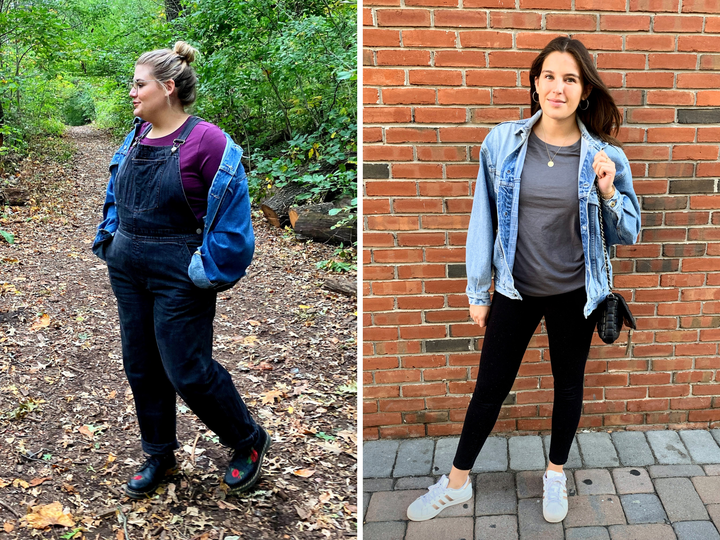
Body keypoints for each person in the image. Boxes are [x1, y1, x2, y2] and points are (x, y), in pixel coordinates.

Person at [407, 36, 641, 523]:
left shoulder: (605, 157)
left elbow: (629, 233)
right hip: (514, 289)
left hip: (577, 294)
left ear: (585, 91)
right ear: (535, 84)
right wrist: (478, 291)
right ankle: (456, 484)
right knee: (490, 387)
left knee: (568, 387)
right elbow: (483, 220)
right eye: (550, 76)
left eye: (571, 79)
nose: (559, 87)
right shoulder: (502, 142)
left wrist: (608, 191)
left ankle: (555, 475)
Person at [92, 41, 270, 499]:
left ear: (168, 87)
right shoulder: (136, 134)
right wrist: (111, 242)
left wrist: (208, 271)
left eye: (139, 84)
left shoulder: (208, 142)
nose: (132, 92)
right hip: (128, 269)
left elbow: (234, 221)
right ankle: (159, 453)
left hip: (178, 274)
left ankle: (247, 440)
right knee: (142, 366)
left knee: (186, 370)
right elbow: (117, 193)